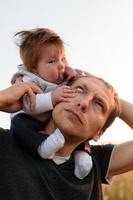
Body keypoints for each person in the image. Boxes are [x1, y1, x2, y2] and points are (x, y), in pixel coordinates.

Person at [1, 75, 133, 199]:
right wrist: (3, 97)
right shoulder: (5, 144)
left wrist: (111, 96)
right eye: (79, 89)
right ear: (57, 95)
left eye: (99, 104)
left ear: (99, 132)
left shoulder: (93, 164)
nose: (84, 103)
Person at [10, 28, 92, 179]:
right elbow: (29, 104)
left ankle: (82, 153)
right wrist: (52, 98)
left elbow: (89, 84)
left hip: (53, 122)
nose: (61, 65)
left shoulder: (65, 76)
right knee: (18, 123)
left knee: (78, 119)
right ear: (34, 68)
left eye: (63, 58)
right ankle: (41, 147)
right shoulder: (30, 79)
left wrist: (76, 76)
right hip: (32, 120)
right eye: (52, 61)